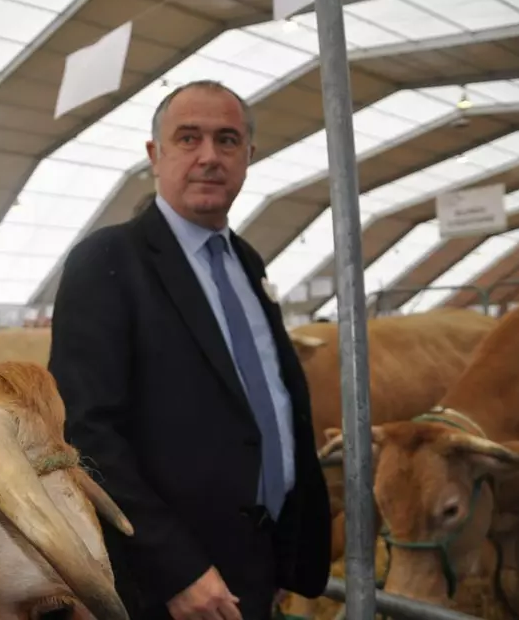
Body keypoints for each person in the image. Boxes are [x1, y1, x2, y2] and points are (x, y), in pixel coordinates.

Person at [48, 79, 331, 620]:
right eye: (188, 139)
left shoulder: (248, 262)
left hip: (256, 564)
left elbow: (266, 406)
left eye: (227, 141)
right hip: (172, 589)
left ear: (249, 155)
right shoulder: (109, 261)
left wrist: (280, 557)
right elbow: (85, 432)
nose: (209, 157)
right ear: (155, 155)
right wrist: (177, 571)